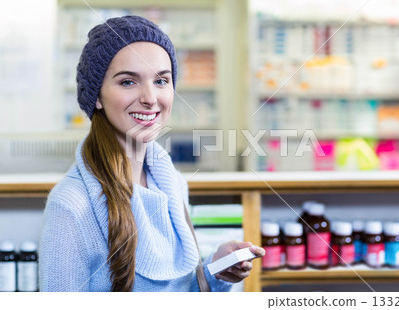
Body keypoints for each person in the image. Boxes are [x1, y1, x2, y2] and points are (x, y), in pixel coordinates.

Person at [39, 15, 264, 292]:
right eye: (128, 82)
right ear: (97, 96)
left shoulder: (170, 182)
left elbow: (172, 292)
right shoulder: (72, 206)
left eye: (161, 81)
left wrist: (214, 272)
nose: (150, 98)